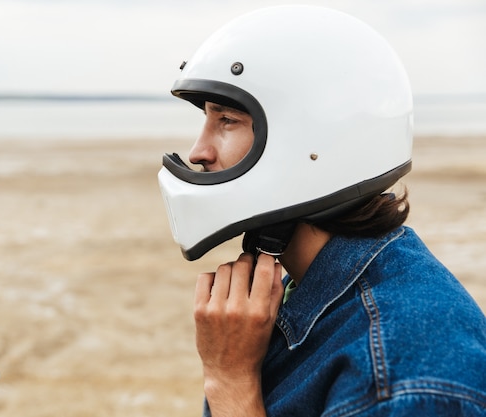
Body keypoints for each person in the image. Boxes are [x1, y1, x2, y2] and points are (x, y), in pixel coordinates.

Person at [157, 5, 486, 416]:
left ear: (311, 138)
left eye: (226, 120)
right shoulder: (309, 290)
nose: (198, 152)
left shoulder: (404, 375)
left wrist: (229, 381)